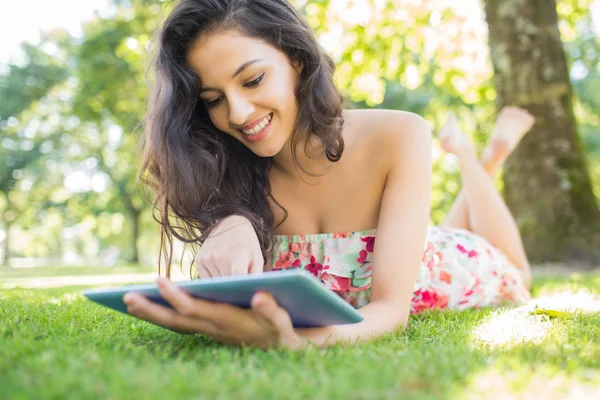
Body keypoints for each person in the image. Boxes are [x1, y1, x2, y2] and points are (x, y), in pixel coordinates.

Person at [122, 0, 535, 350]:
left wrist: (302, 343)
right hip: (416, 242)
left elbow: (392, 311)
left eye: (253, 80)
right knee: (436, 229)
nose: (238, 114)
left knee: (521, 274)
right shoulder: (225, 173)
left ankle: (474, 156)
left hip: (453, 264)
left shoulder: (400, 133)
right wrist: (226, 220)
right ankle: (483, 159)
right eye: (213, 100)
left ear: (296, 59)